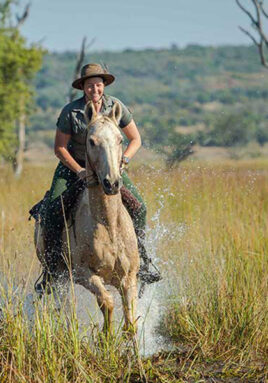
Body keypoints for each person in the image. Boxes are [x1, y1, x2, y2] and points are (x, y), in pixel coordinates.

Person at [35, 63, 161, 294]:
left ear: (104, 86)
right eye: (90, 85)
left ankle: (143, 259)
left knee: (139, 207)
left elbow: (135, 139)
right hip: (73, 166)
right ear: (83, 87)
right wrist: (79, 171)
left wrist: (123, 160)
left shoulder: (116, 106)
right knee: (52, 210)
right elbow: (60, 148)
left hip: (108, 166)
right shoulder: (71, 112)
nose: (95, 89)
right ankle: (51, 270)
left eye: (99, 85)